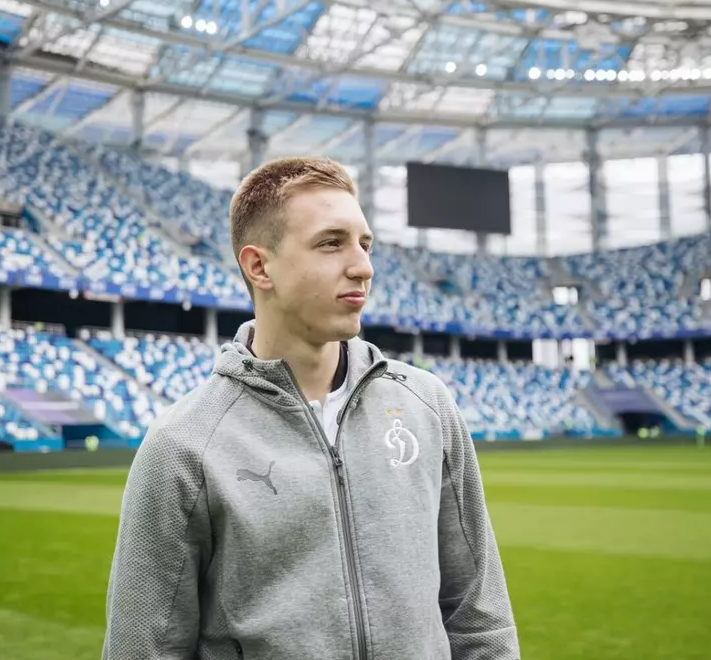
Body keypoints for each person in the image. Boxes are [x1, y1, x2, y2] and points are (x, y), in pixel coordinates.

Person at [102, 156, 519, 660]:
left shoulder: (426, 404)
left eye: (365, 244)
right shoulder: (184, 444)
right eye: (331, 243)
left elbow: (479, 616)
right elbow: (144, 649)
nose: (363, 267)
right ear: (259, 267)